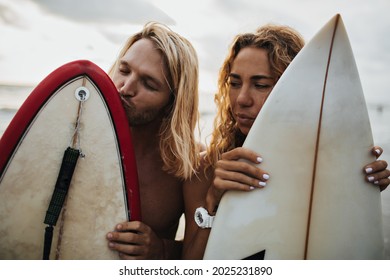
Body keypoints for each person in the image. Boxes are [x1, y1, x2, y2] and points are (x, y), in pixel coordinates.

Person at [182, 24, 390, 259]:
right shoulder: (206, 169)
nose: (241, 99)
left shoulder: (325, 168)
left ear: (294, 91)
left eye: (261, 85)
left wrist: (359, 193)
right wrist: (213, 201)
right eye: (235, 83)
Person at [105, 22, 201, 259]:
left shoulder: (189, 166)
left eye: (148, 83)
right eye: (124, 70)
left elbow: (203, 254)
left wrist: (161, 250)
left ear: (172, 102)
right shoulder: (77, 136)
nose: (125, 88)